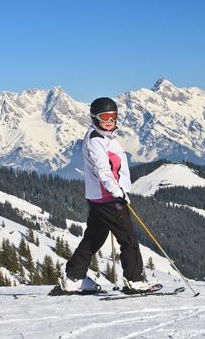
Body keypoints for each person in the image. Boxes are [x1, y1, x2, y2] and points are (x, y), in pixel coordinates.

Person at [63, 97, 150, 292]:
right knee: (127, 237)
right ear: (95, 118)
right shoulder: (96, 140)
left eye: (113, 116)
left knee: (94, 238)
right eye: (105, 117)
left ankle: (74, 278)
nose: (110, 121)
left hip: (99, 197)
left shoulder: (103, 137)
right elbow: (104, 170)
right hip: (108, 197)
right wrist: (117, 192)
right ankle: (135, 279)